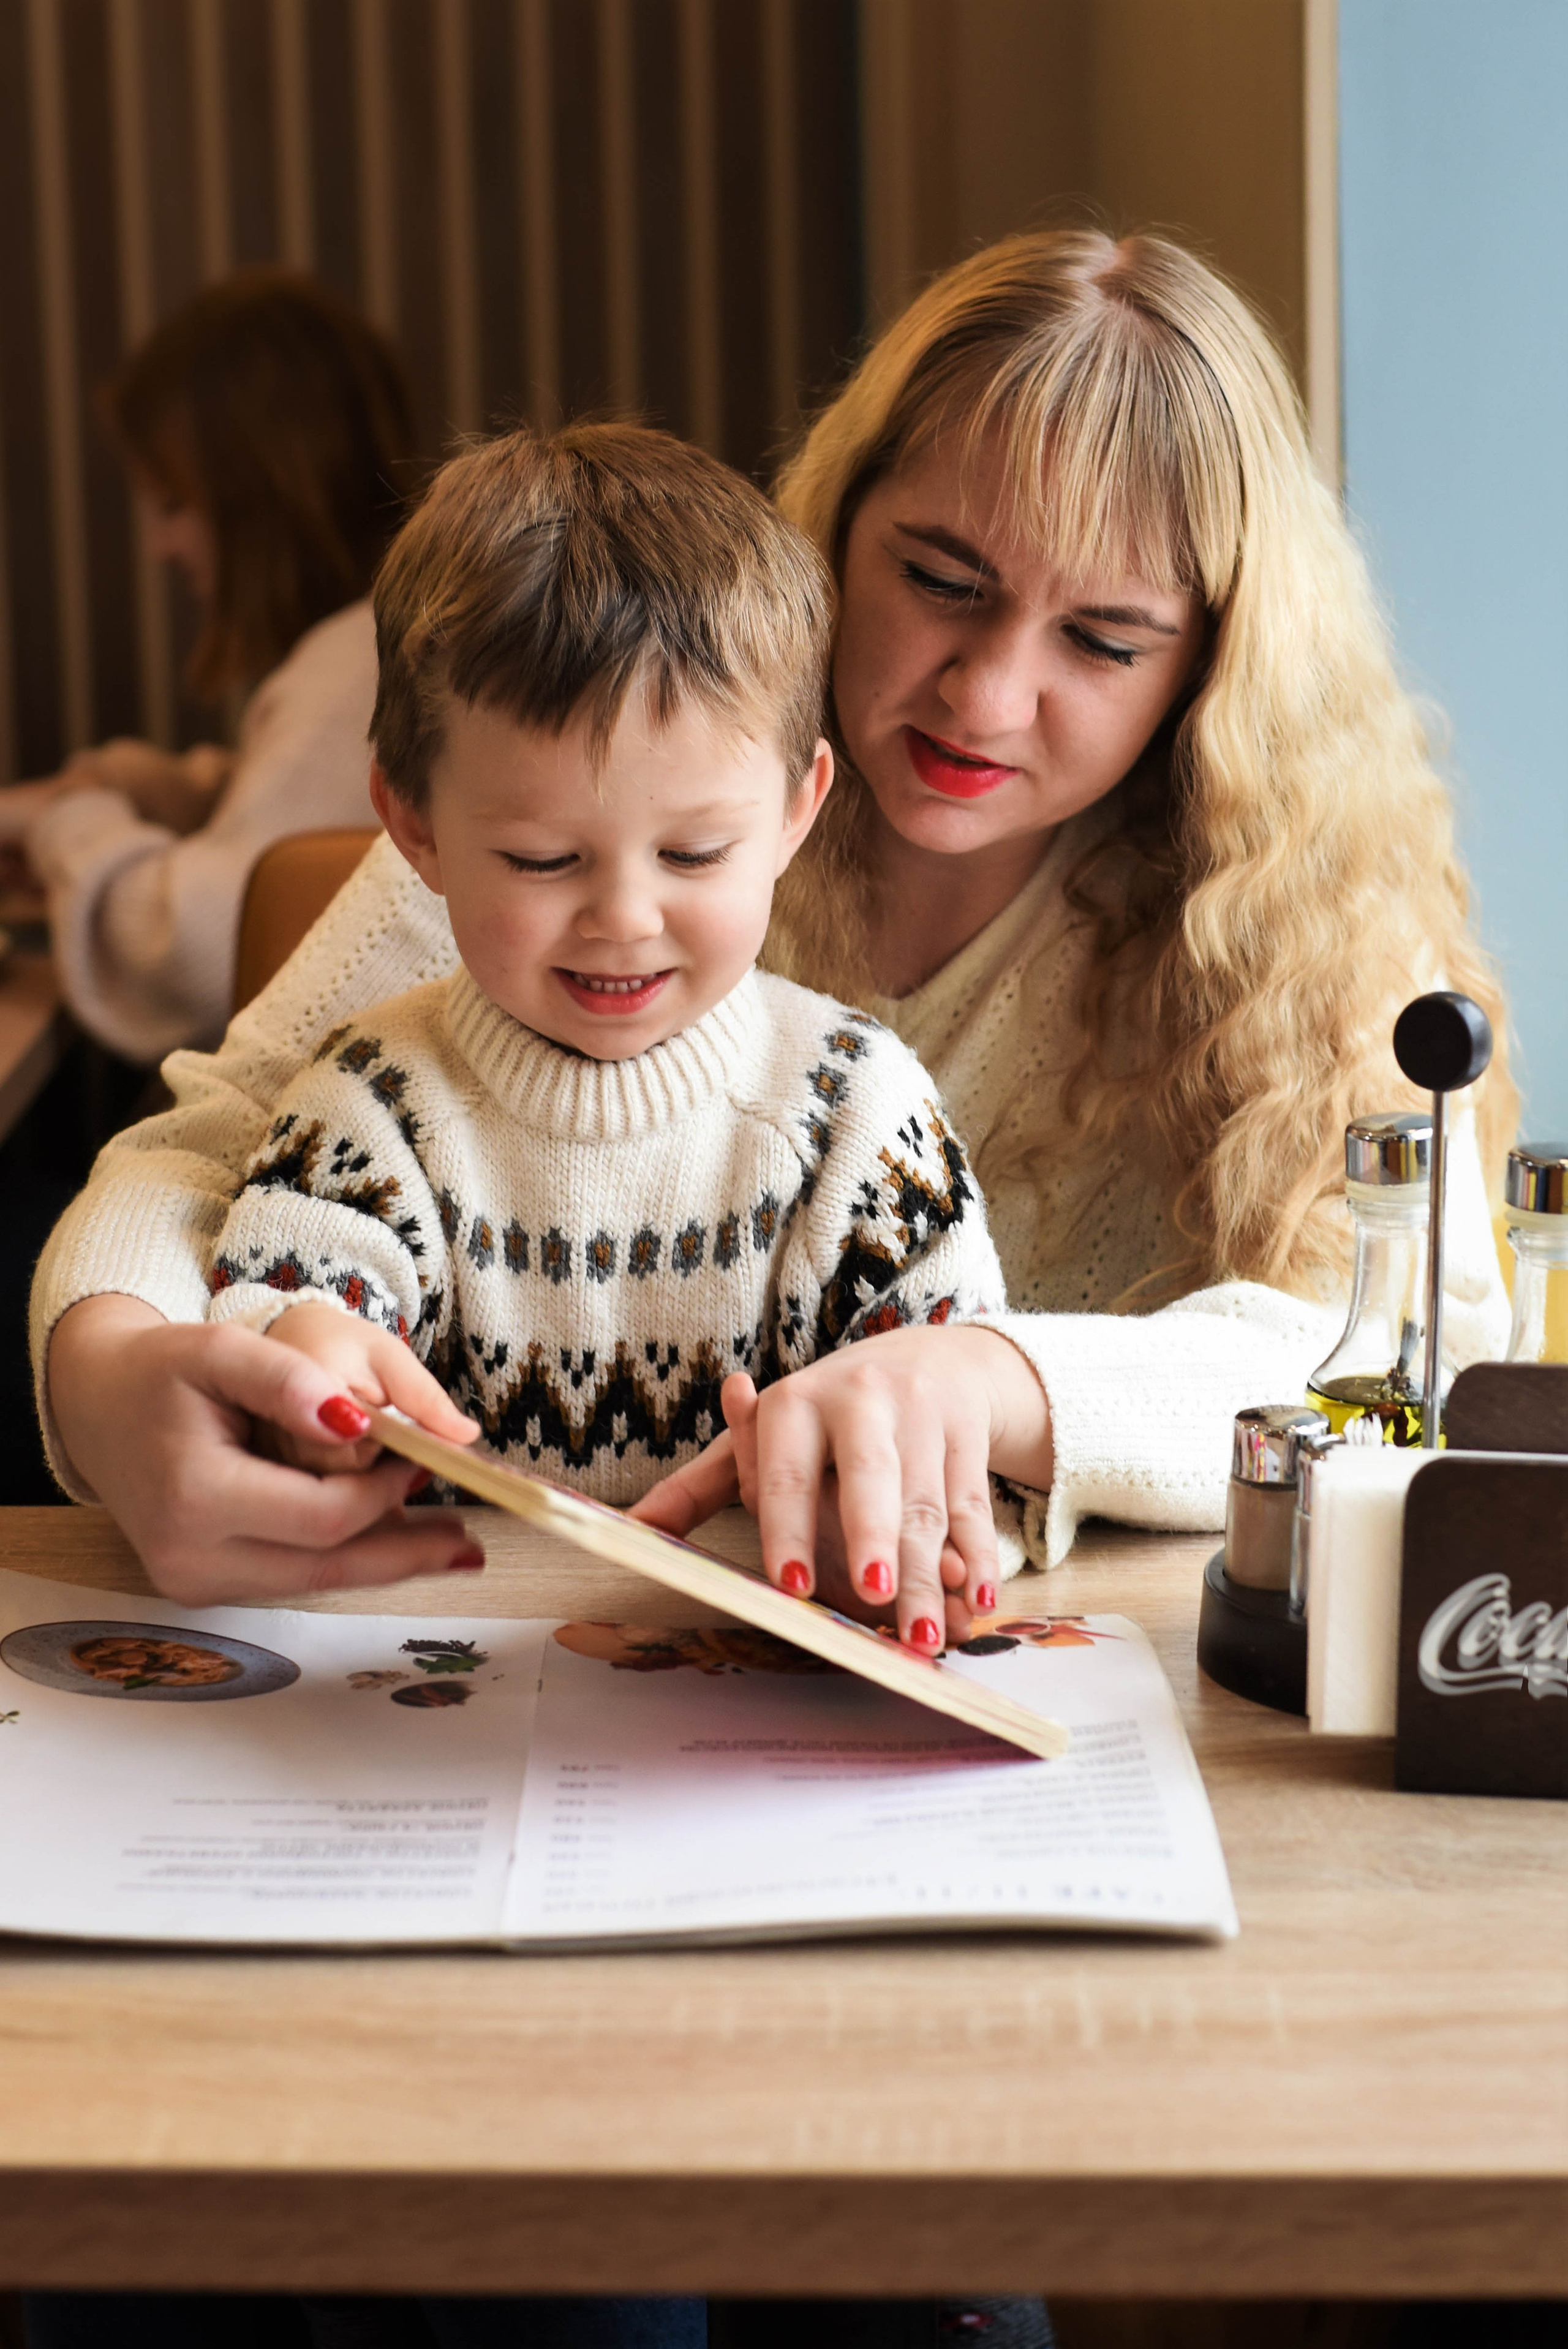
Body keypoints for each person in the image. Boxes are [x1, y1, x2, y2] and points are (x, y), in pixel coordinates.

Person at [29, 229, 1512, 1624]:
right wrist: (107, 1368)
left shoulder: (1296, 920)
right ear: (838, 526)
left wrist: (995, 1382)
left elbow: (1411, 1353)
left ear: (1209, 662)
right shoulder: (627, 751)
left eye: (1102, 640)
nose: (987, 695)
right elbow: (212, 1148)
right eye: (937, 580)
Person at [200, 419, 1004, 1651]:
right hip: (445, 1682)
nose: (624, 918)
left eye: (695, 852)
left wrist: (908, 1515)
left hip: (761, 1688)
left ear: (797, 813)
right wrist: (295, 1363)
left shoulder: (858, 1114)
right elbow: (271, 1322)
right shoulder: (372, 1107)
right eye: (541, 859)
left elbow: (960, 1446)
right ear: (415, 827)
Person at [0, 268, 413, 1063]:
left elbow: (197, 950)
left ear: (261, 497)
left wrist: (67, 824)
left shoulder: (352, 667)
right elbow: (286, 819)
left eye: (175, 505)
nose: (162, 546)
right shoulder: (371, 645)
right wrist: (154, 792)